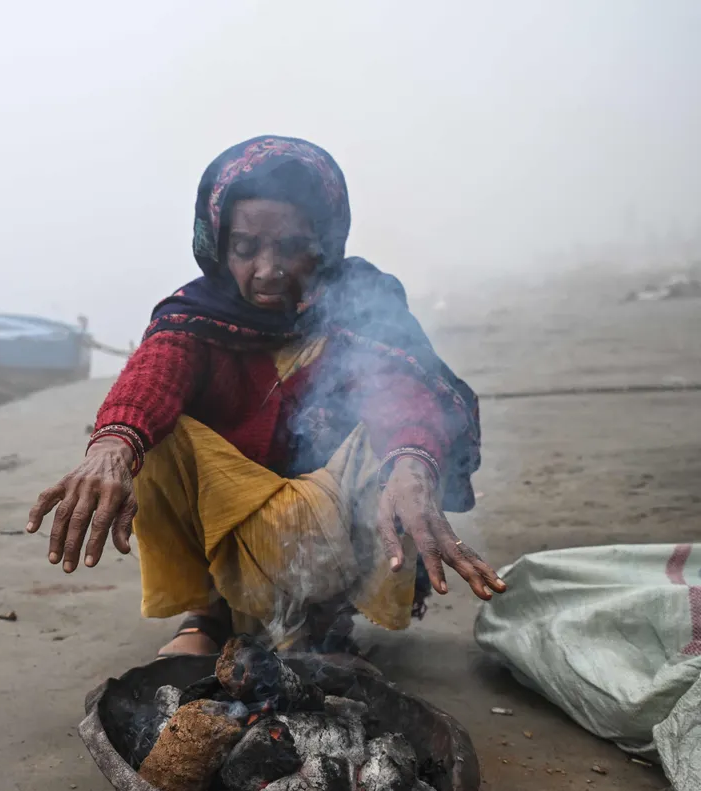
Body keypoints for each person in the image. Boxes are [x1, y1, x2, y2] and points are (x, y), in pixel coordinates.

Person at [26, 136, 506, 657]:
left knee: (404, 453)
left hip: (335, 527)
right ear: (218, 244)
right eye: (245, 248)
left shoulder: (363, 302)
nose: (268, 270)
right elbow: (155, 373)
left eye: (291, 247)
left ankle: (328, 618)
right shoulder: (196, 313)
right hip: (231, 518)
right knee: (148, 439)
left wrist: (413, 466)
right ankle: (209, 611)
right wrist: (110, 449)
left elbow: (402, 389)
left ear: (324, 240)